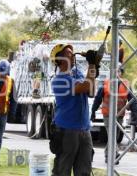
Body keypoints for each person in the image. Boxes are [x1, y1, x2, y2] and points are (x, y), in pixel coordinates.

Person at [50, 43, 98, 176]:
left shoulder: (77, 73)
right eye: (68, 53)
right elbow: (83, 87)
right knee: (62, 171)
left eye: (72, 52)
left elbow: (91, 91)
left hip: (84, 129)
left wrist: (94, 68)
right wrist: (92, 65)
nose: (72, 55)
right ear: (59, 60)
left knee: (84, 172)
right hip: (67, 131)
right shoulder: (59, 80)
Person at [90, 64, 137, 164]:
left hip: (120, 115)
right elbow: (98, 99)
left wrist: (135, 114)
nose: (116, 73)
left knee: (115, 136)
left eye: (118, 71)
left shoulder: (126, 85)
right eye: (115, 71)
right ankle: (114, 154)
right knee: (112, 135)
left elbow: (133, 100)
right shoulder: (105, 84)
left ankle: (108, 154)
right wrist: (93, 111)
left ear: (121, 73)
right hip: (108, 115)